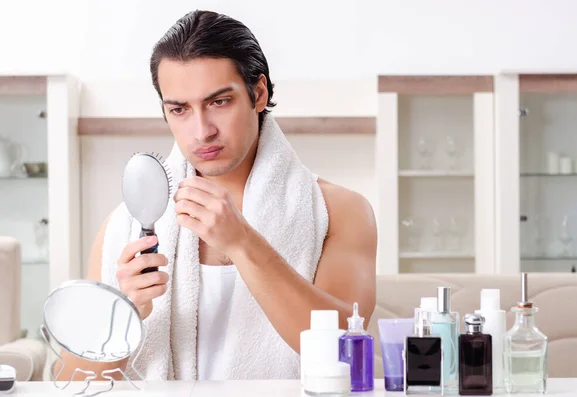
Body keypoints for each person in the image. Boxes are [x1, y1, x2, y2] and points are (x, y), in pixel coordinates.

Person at [58, 9, 376, 381]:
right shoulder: (122, 227)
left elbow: (345, 354)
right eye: (179, 109)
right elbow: (70, 382)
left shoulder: (339, 211)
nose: (201, 130)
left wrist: (242, 243)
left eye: (219, 102)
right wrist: (126, 310)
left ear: (258, 93)